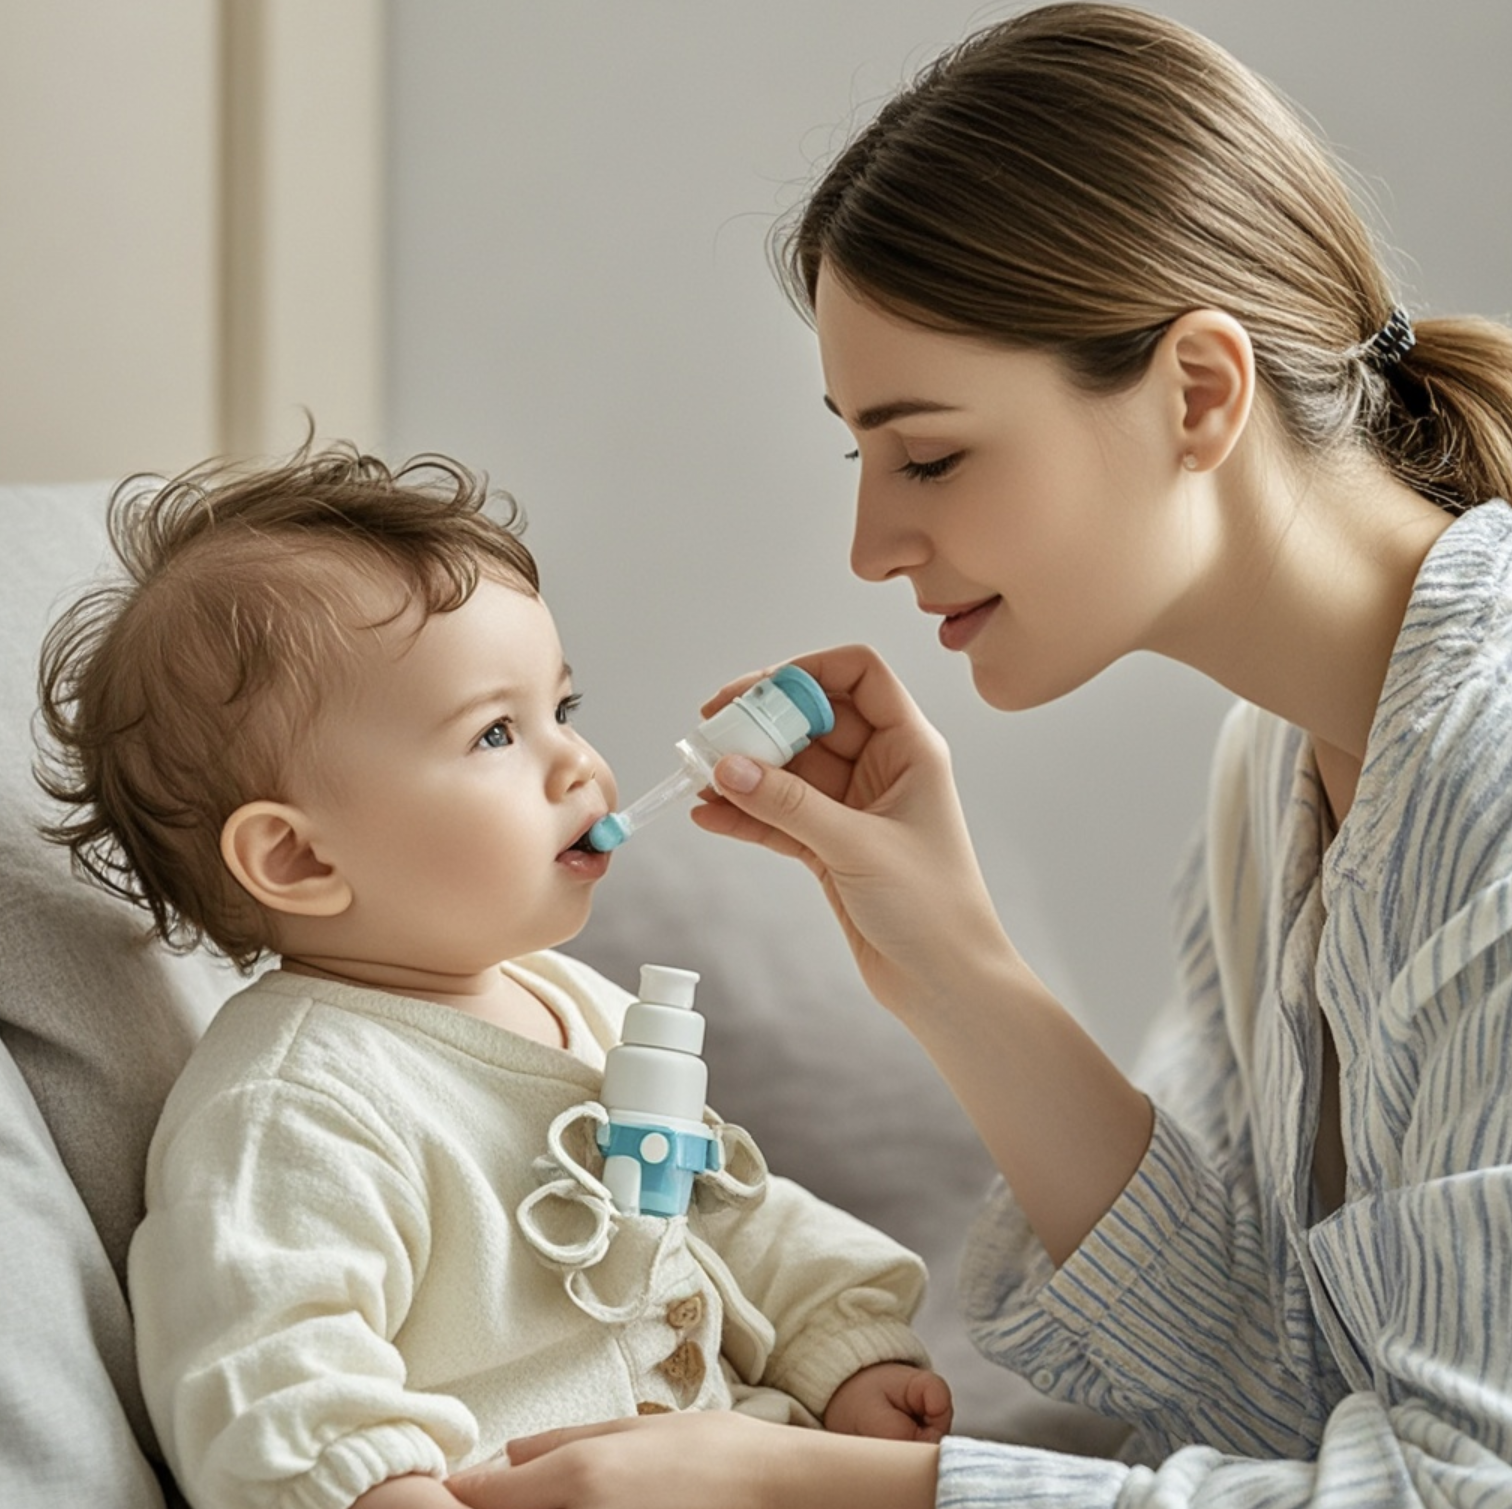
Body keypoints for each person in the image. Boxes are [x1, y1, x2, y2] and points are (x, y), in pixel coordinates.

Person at [442, 4, 1512, 1506]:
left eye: (929, 454)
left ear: (1199, 393)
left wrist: (791, 1488)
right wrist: (948, 963)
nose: (874, 545)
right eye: (859, 456)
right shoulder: (1277, 775)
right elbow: (1282, 1399)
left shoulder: (1492, 761)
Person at [33, 442, 954, 1509]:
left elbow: (735, 1211)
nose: (581, 763)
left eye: (564, 708)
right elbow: (268, 1374)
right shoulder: (294, 1108)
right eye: (497, 733)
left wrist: (846, 1348)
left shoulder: (575, 1005)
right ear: (300, 859)